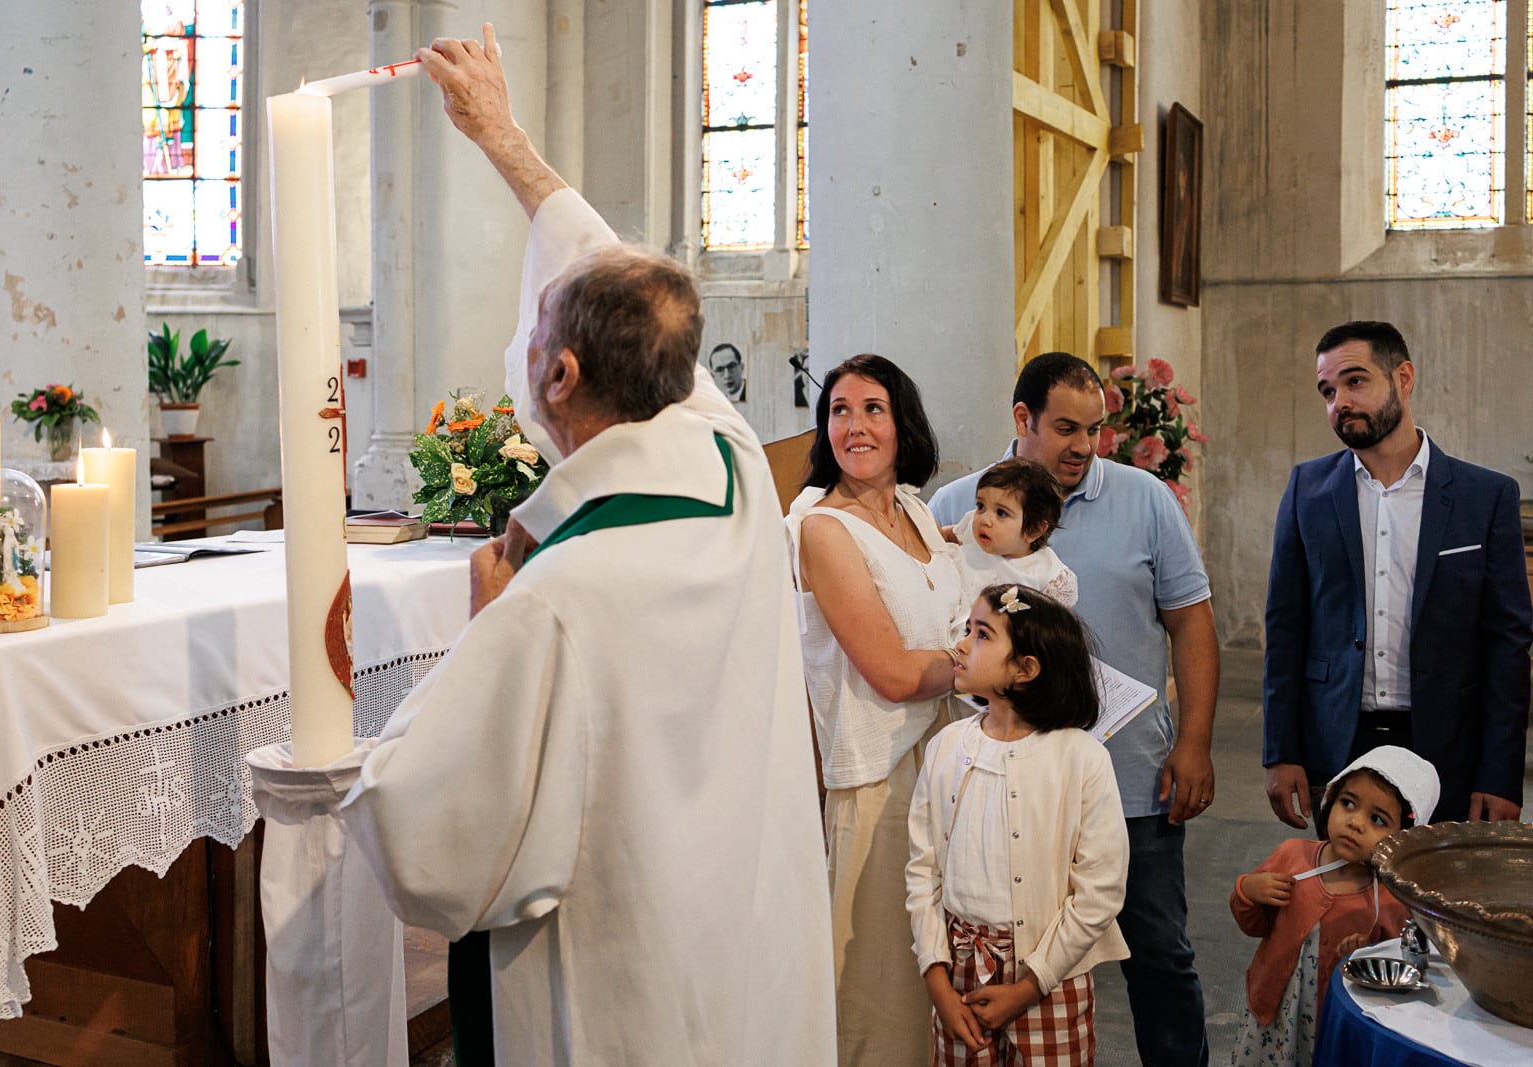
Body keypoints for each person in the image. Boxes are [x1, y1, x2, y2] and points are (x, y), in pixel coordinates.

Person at [339, 27, 836, 1064]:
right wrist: (500, 136)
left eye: (535, 337)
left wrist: (480, 630)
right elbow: (611, 276)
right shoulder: (739, 471)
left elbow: (424, 833)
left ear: (559, 376)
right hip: (735, 941)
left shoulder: (550, 597)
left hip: (614, 991)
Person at [930, 352, 1219, 1066]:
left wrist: (1196, 742)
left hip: (1128, 777)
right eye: (1066, 428)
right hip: (997, 783)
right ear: (1022, 419)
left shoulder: (1146, 500)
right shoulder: (957, 510)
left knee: (1158, 952)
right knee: (1001, 955)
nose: (1084, 446)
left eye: (1095, 429)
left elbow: (1192, 621)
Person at [1262, 320, 1532, 826]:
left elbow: (1507, 646)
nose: (1339, 401)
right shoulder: (1308, 490)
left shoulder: (1485, 497)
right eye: (1327, 390)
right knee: (1346, 900)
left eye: (1355, 381)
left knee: (1442, 901)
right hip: (1338, 742)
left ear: (1403, 378)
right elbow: (1285, 628)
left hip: (1447, 745)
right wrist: (1281, 750)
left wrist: (1499, 775)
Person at [786, 353, 964, 1065]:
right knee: (880, 999)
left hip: (946, 761)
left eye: (872, 409)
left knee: (940, 986)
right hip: (878, 780)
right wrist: (984, 666)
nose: (853, 425)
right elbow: (890, 672)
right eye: (838, 410)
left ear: (902, 423)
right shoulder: (822, 528)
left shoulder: (919, 511)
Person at [907, 584, 1129, 1065]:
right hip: (958, 975)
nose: (962, 643)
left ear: (1026, 670)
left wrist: (1029, 985)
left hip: (1049, 979)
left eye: (982, 634)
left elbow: (1101, 890)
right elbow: (923, 870)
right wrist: (937, 979)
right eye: (967, 629)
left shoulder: (1081, 759)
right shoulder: (946, 746)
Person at [1229, 746, 1439, 1066]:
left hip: (1330, 1024)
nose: (1355, 823)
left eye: (1378, 819)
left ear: (1402, 838)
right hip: (1272, 1017)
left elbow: (1395, 977)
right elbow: (1254, 926)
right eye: (1348, 803)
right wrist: (1246, 891)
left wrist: (1363, 957)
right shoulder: (1291, 856)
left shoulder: (1391, 900)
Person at [945, 458, 1077, 609]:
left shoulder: (1048, 575)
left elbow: (1055, 627)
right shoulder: (971, 525)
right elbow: (940, 536)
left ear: (1033, 530)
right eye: (981, 506)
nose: (984, 519)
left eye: (1001, 513)